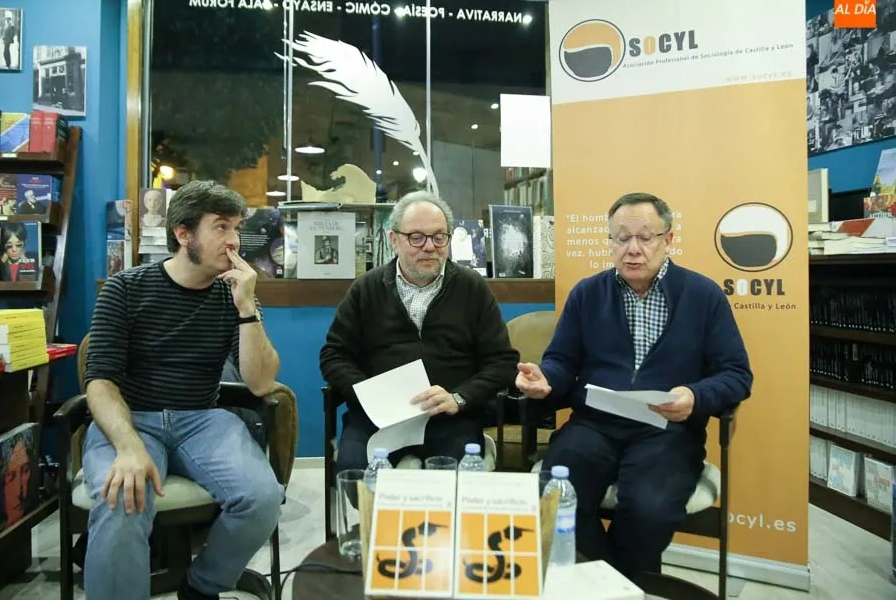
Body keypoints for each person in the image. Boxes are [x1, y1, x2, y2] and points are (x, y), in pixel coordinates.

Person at [515, 192, 752, 580]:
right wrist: (546, 379)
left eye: (645, 237)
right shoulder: (587, 294)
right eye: (622, 238)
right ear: (610, 242)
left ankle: (610, 583)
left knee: (649, 508)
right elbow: (561, 361)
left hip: (667, 431)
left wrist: (696, 397)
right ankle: (611, 582)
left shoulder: (703, 295)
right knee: (554, 494)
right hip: (594, 426)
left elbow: (736, 374)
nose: (633, 249)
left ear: (668, 239)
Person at [82, 180, 283, 600]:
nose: (234, 241)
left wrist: (247, 307)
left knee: (263, 497)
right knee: (123, 498)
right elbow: (99, 381)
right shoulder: (125, 289)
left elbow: (261, 383)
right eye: (221, 227)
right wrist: (128, 447)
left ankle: (202, 586)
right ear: (184, 234)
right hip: (131, 418)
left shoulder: (233, 295)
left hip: (201, 419)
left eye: (237, 228)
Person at [320, 190, 519, 471]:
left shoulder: (472, 288)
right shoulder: (366, 289)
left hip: (449, 418)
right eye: (416, 237)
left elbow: (502, 362)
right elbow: (334, 355)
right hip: (379, 419)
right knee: (355, 476)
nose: (429, 247)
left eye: (439, 237)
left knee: (453, 482)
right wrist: (369, 395)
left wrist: (459, 398)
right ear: (394, 240)